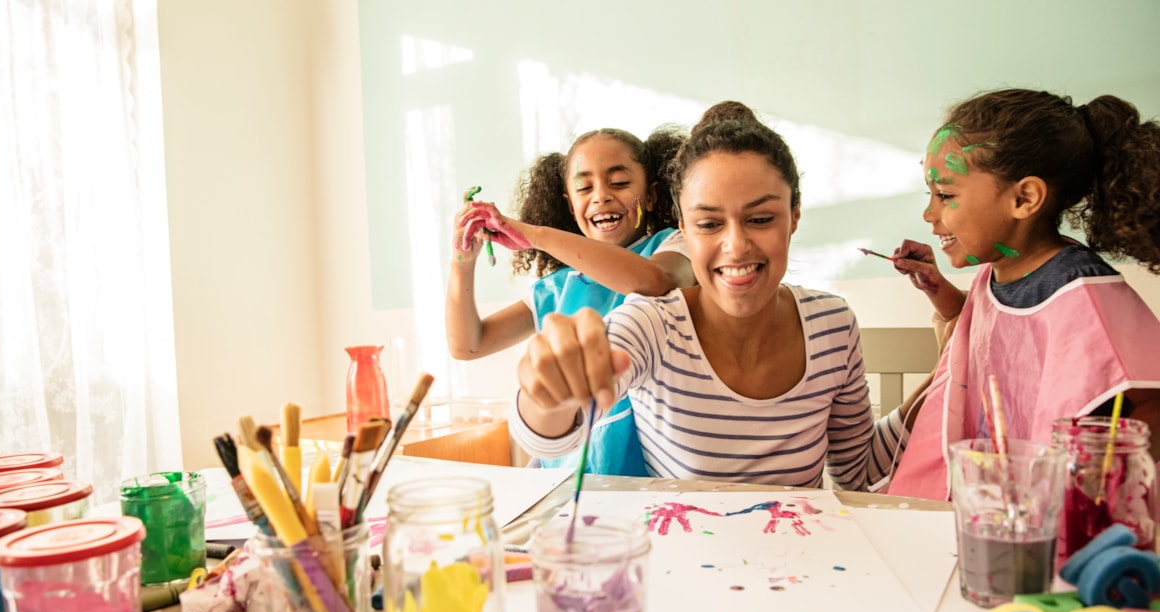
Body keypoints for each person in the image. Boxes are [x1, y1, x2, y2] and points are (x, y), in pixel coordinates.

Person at [507, 101, 907, 490]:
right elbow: (549, 440)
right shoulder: (650, 324)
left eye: (760, 219)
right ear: (683, 227)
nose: (736, 245)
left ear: (794, 215)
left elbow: (859, 473)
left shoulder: (833, 325)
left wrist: (939, 380)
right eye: (709, 224)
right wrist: (549, 396)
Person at [886, 88, 1160, 500]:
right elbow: (990, 335)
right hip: (998, 508)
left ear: (1024, 198)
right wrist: (938, 290)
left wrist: (1084, 491)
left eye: (945, 195)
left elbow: (1143, 396)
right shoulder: (998, 270)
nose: (929, 213)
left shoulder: (1081, 291)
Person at [446, 126, 695, 475]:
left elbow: (653, 281)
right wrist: (462, 263)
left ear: (652, 196)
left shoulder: (675, 245)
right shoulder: (556, 288)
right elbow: (469, 345)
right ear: (569, 204)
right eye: (584, 187)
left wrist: (533, 235)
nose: (601, 196)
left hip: (642, 484)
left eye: (619, 182)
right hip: (563, 479)